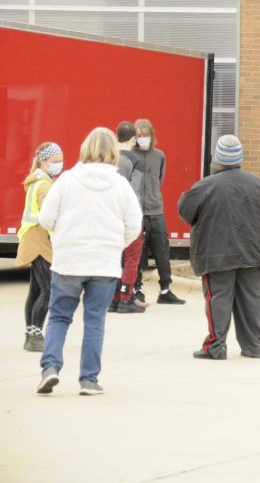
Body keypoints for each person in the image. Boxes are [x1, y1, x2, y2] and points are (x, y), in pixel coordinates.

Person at [36, 127, 142, 395]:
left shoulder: (67, 180)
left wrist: (62, 235)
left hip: (69, 261)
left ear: (85, 149)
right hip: (104, 263)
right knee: (95, 321)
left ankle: (50, 368)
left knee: (59, 317)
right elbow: (134, 224)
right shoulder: (120, 185)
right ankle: (89, 380)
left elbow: (46, 219)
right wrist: (117, 244)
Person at [178, 135, 260, 360]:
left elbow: (185, 211)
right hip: (254, 252)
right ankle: (255, 346)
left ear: (217, 158)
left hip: (217, 254)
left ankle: (216, 346)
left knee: (218, 299)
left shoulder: (204, 186)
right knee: (252, 299)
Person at [15, 142, 64, 352]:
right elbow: (47, 213)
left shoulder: (38, 179)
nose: (59, 165)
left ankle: (31, 334)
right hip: (39, 242)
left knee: (36, 290)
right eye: (55, 162)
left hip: (34, 239)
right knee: (49, 289)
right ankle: (34, 335)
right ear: (44, 161)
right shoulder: (44, 184)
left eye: (60, 161)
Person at [132, 118, 185, 305]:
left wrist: (153, 197)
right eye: (139, 135)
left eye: (146, 135)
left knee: (162, 250)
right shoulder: (129, 156)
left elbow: (160, 180)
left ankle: (165, 290)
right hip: (136, 212)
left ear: (151, 136)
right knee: (136, 253)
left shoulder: (159, 156)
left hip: (156, 211)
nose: (142, 139)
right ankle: (137, 288)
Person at [109, 121, 148, 314]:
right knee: (132, 258)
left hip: (109, 215)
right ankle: (125, 298)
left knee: (115, 257)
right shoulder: (137, 160)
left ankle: (113, 298)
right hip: (128, 215)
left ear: (116, 136)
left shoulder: (108, 157)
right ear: (133, 139)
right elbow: (135, 191)